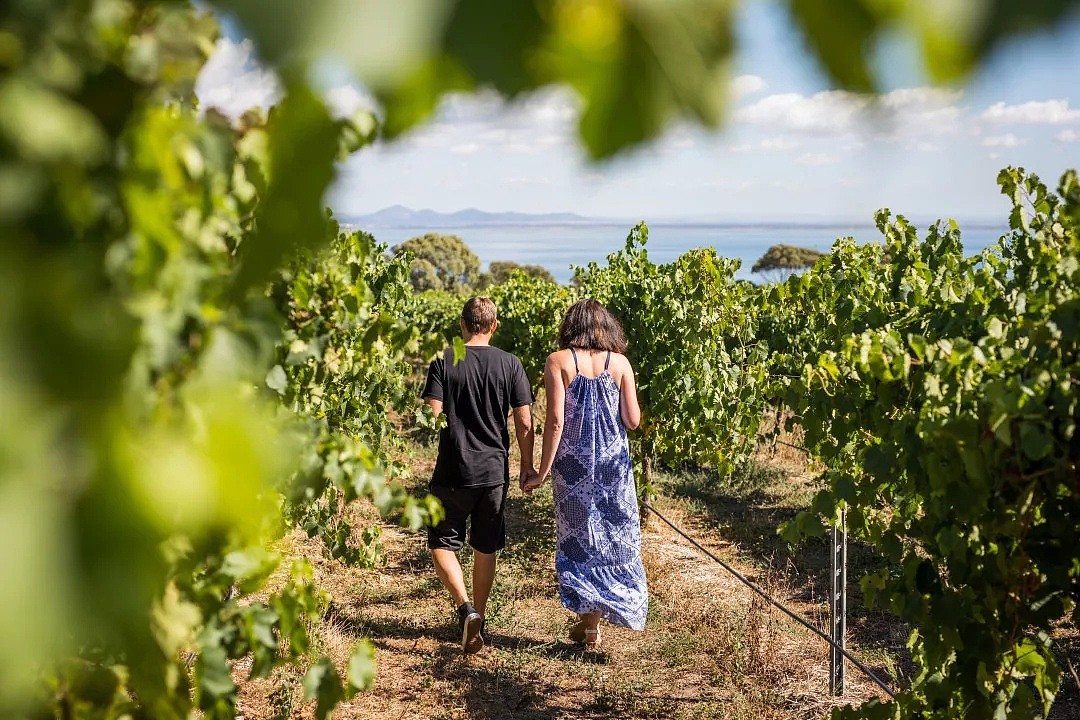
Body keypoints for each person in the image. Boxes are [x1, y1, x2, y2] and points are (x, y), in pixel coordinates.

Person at [523, 299, 647, 650]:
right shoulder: (620, 363)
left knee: (579, 540)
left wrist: (542, 471)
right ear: (608, 327)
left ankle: (589, 623)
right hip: (613, 467)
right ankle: (603, 617)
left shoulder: (558, 361)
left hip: (572, 469)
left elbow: (556, 421)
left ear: (570, 326)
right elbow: (633, 421)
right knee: (614, 537)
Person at [421, 296, 536, 654]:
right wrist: (527, 465)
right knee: (486, 547)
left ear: (461, 323)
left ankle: (464, 608)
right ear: (494, 325)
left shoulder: (443, 358)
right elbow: (523, 420)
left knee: (441, 543)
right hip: (493, 472)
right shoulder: (511, 364)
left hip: (453, 469)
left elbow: (432, 414)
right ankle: (479, 620)